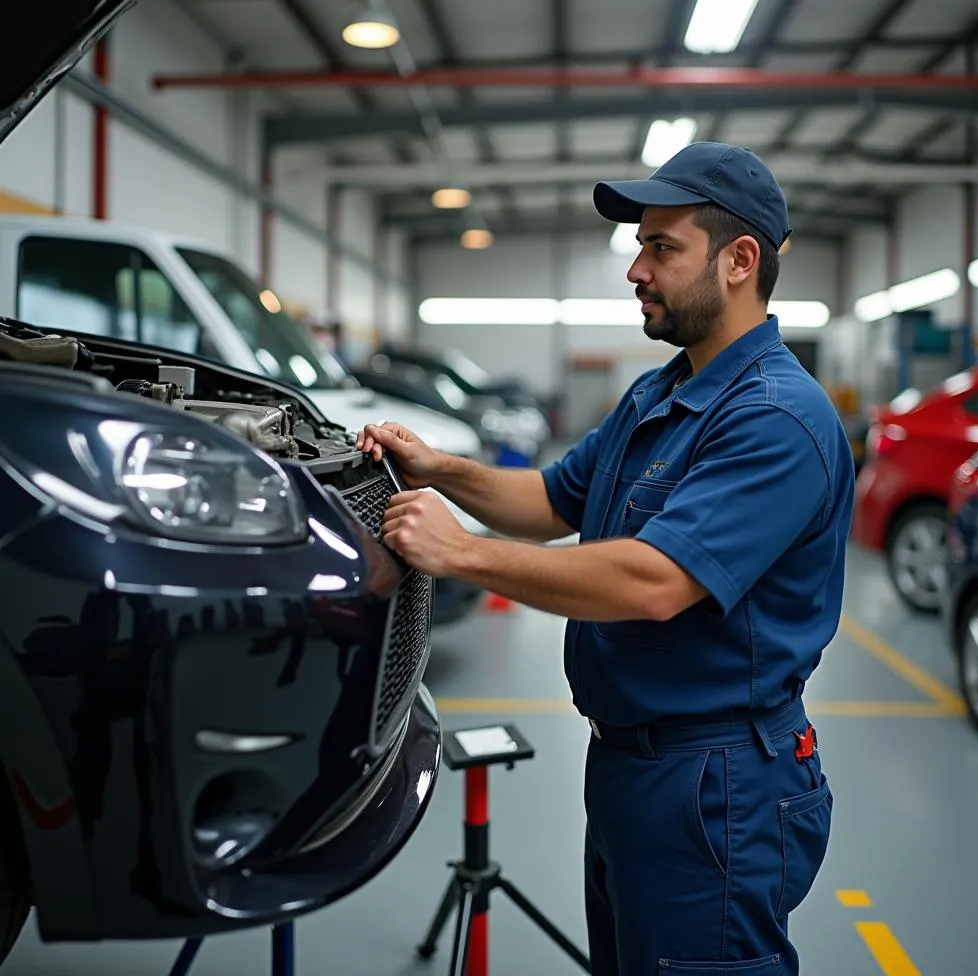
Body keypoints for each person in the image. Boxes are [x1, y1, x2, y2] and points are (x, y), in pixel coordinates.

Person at [356, 141, 856, 975]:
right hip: (632, 764)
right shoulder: (662, 392)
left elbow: (655, 582)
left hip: (716, 781)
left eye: (662, 247)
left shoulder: (777, 418)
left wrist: (461, 553)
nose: (636, 269)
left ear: (739, 262)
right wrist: (440, 470)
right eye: (640, 246)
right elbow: (553, 500)